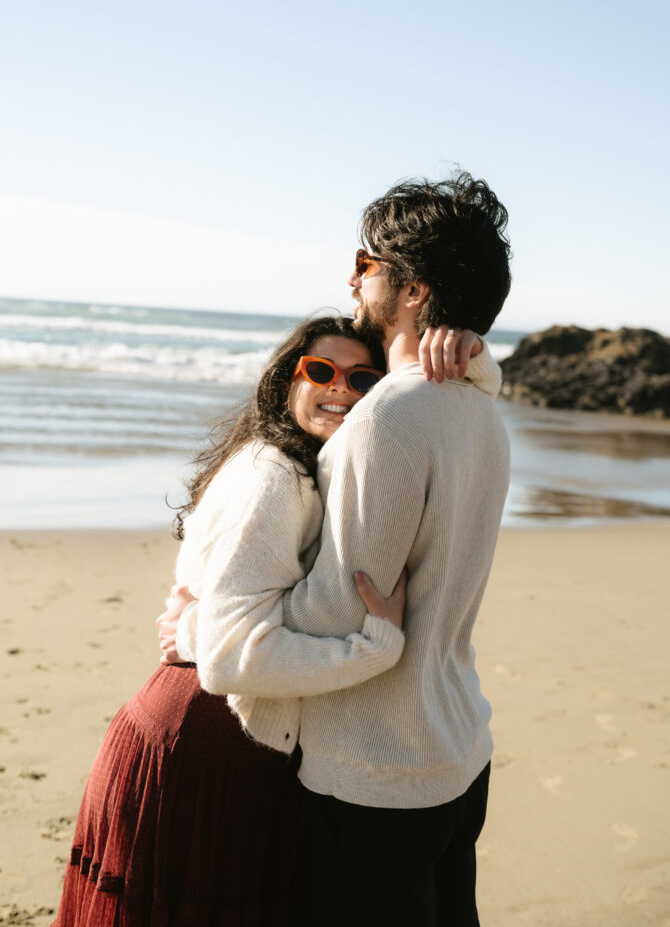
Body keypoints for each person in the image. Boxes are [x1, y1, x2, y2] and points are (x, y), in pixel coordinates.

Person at [53, 313, 499, 926]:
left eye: (362, 378)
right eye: (321, 371)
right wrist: (375, 646)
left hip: (234, 736)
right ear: (285, 381)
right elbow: (235, 654)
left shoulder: (312, 468)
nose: (340, 388)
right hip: (204, 745)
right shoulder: (276, 479)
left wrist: (469, 356)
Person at [172, 171, 511, 926]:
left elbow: (337, 609)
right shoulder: (481, 408)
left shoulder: (386, 418)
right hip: (458, 746)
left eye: (366, 265)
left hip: (379, 767)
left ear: (413, 290)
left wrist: (200, 623)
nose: (353, 281)